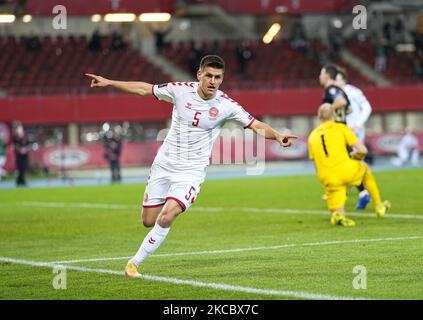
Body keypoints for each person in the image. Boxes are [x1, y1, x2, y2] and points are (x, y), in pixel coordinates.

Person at [86, 55, 297, 277]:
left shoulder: (226, 105)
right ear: (199, 75)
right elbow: (143, 89)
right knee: (148, 221)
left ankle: (134, 263)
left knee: (166, 217)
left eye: (218, 77)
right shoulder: (179, 90)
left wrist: (277, 136)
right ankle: (141, 251)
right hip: (164, 165)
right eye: (209, 76)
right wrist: (110, 82)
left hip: (191, 172)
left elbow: (255, 124)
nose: (213, 81)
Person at [308, 104, 390, 227]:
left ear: (319, 117)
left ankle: (338, 215)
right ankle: (379, 206)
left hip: (327, 177)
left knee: (337, 206)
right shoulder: (341, 128)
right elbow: (363, 150)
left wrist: (324, 178)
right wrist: (354, 158)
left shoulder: (312, 136)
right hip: (346, 171)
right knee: (364, 169)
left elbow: (315, 162)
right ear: (334, 115)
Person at [335, 67, 373, 210]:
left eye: (338, 79)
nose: (336, 82)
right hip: (343, 131)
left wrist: (358, 124)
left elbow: (367, 107)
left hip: (354, 132)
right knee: (351, 163)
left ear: (344, 79)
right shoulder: (336, 94)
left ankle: (357, 192)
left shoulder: (353, 91)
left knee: (353, 162)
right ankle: (363, 193)